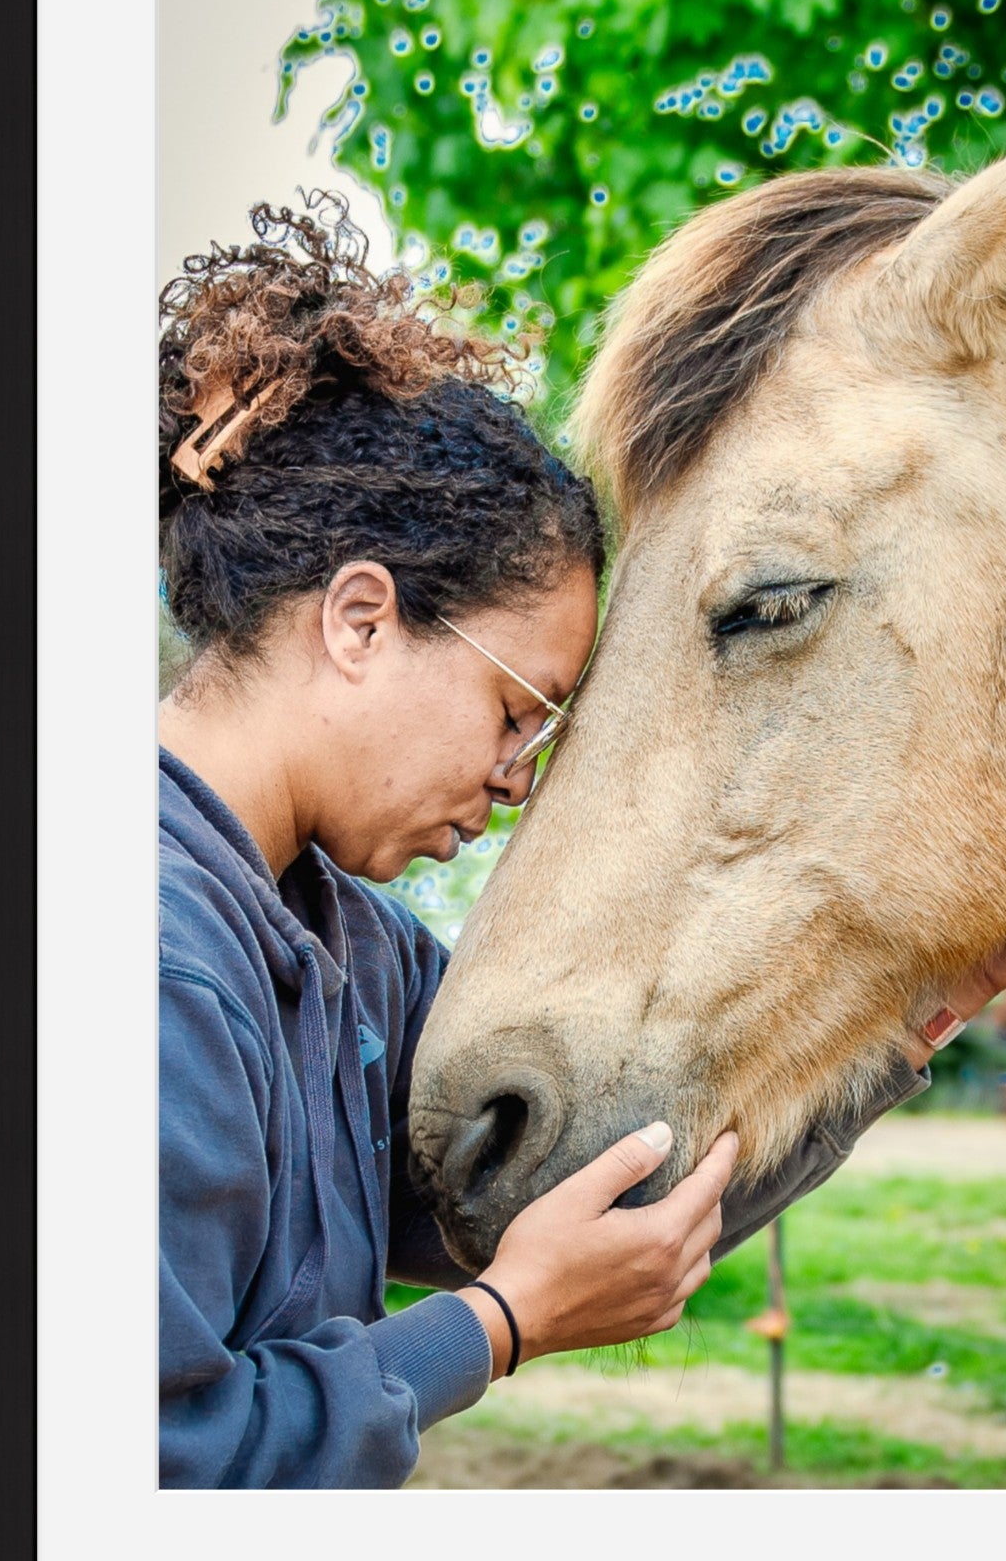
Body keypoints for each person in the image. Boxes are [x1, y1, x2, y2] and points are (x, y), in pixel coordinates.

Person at [158, 195, 737, 1488]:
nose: (517, 782)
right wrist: (500, 1326)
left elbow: (564, 1200)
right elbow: (143, 1479)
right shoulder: (153, 962)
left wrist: (936, 993)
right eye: (515, 712)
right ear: (360, 620)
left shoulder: (347, 936)